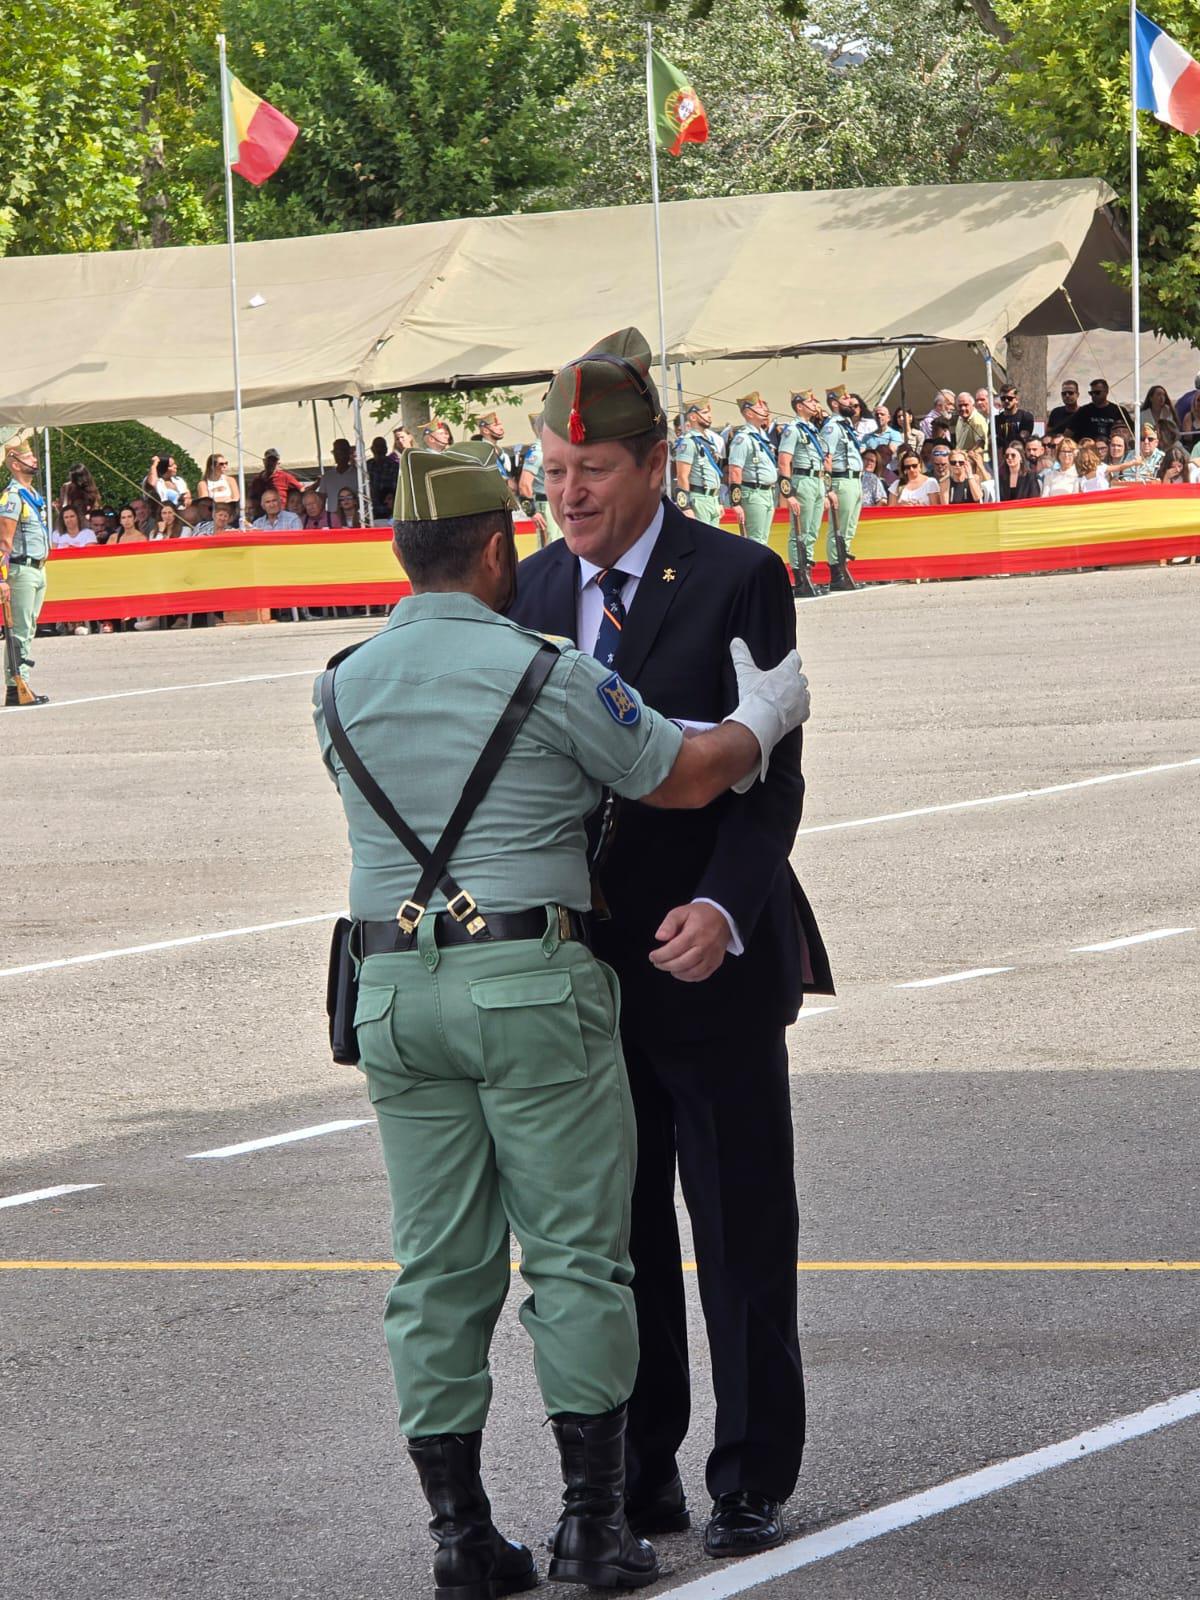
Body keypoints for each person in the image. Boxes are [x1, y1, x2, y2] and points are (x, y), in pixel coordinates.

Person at [314, 442, 812, 1598]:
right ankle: (597, 1521)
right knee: (583, 1259)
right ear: (498, 550)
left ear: (398, 551)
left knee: (436, 1270)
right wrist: (767, 716)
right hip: (533, 985)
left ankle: (463, 1537)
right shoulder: (542, 667)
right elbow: (682, 774)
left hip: (391, 990)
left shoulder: (339, 678)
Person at [508, 326, 832, 1564]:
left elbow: (773, 779)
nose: (569, 492)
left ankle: (748, 1476)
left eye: (590, 468)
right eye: (551, 471)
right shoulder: (530, 593)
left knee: (741, 1225)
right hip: (581, 971)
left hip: (713, 954)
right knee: (615, 1234)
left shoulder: (737, 574)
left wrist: (729, 906)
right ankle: (634, 1477)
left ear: (655, 464)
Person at [1, 433, 52, 706]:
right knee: (19, 630)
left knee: (28, 628)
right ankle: (15, 686)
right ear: (15, 463)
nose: (34, 460)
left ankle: (22, 682)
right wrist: (2, 578)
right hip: (21, 570)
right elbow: (3, 542)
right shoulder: (11, 497)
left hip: (38, 569)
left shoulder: (31, 494)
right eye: (28, 456)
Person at [777, 390, 829, 597]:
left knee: (812, 530)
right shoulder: (794, 429)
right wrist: (788, 493)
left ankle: (808, 573)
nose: (815, 403)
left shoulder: (812, 429)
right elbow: (784, 461)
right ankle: (800, 578)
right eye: (810, 401)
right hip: (803, 480)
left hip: (816, 480)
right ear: (799, 406)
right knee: (800, 530)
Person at [820, 387, 865, 589]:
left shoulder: (846, 425)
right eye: (846, 398)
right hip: (841, 480)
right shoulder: (832, 427)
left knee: (848, 529)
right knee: (838, 529)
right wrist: (828, 489)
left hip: (855, 480)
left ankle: (844, 569)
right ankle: (837, 574)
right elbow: (825, 459)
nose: (851, 401)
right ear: (835, 404)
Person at [726, 391, 779, 546]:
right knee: (756, 541)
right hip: (753, 493)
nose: (764, 410)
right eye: (759, 407)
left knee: (763, 538)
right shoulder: (743, 438)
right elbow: (735, 471)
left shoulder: (761, 434)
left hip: (768, 492)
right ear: (749, 413)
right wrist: (736, 503)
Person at [673, 402, 725, 529]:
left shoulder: (708, 440)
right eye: (704, 413)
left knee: (714, 544)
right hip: (699, 499)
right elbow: (682, 476)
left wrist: (718, 501)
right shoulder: (688, 441)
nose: (709, 416)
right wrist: (685, 506)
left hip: (712, 498)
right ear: (693, 417)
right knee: (704, 544)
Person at [518, 416, 561, 545]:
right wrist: (533, 512)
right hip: (544, 504)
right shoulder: (538, 451)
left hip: (552, 502)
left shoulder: (549, 447)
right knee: (550, 546)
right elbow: (524, 485)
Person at [1073, 379, 1132, 443]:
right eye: (1091, 393)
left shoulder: (1119, 411)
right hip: (1089, 448)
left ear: (1106, 392)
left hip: (1112, 448)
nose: (1093, 395)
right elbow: (1069, 431)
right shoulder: (1083, 411)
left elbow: (1131, 431)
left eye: (1097, 393)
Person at [367, 437, 399, 523]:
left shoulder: (394, 466)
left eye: (382, 447)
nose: (379, 450)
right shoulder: (367, 466)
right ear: (372, 449)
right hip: (370, 512)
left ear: (386, 449)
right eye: (377, 447)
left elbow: (397, 489)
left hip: (389, 512)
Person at [318, 438, 359, 506]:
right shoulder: (327, 477)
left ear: (348, 453)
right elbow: (321, 501)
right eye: (336, 452)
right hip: (333, 516)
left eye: (341, 452)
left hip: (355, 516)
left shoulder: (358, 475)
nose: (338, 455)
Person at [1139, 385, 1179, 450]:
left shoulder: (1168, 412)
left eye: (1164, 395)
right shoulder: (1143, 415)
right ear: (1151, 398)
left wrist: (1166, 418)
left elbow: (1174, 431)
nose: (1162, 397)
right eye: (1158, 395)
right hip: (1149, 444)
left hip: (1169, 444)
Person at [954, 391, 989, 463]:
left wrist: (966, 455)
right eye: (960, 406)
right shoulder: (960, 418)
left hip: (976, 462)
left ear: (973, 405)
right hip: (961, 461)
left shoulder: (977, 420)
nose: (963, 408)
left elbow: (980, 444)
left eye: (966, 405)